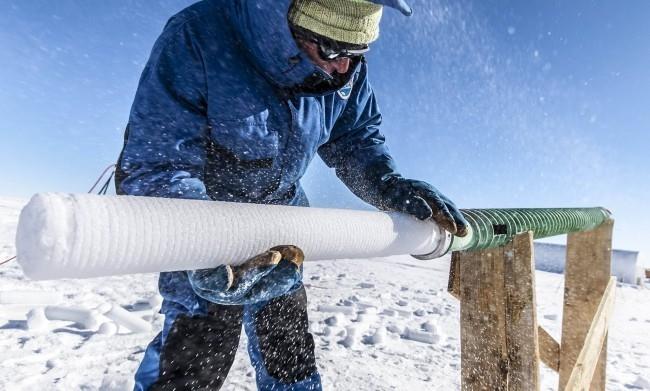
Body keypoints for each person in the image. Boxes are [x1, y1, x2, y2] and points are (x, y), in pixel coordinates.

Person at [115, 0, 468, 389]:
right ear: (290, 22)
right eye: (331, 50)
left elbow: (355, 138)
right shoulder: (197, 36)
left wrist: (385, 183)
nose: (343, 68)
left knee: (289, 348)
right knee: (195, 356)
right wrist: (201, 240)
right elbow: (160, 161)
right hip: (201, 223)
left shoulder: (345, 71)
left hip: (283, 224)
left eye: (357, 53)